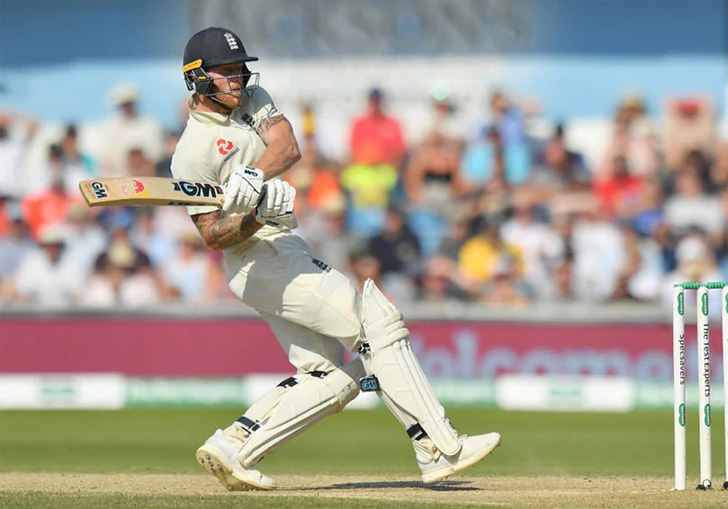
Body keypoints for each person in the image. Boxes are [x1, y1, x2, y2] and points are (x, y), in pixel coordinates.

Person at [172, 27, 500, 492]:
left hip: (284, 247)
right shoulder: (191, 154)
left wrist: (253, 175)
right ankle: (439, 445)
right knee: (376, 323)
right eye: (227, 72)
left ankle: (235, 446)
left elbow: (288, 146)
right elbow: (212, 235)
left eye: (240, 69)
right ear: (198, 79)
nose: (239, 79)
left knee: (329, 373)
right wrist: (250, 215)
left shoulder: (251, 97)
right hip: (257, 255)